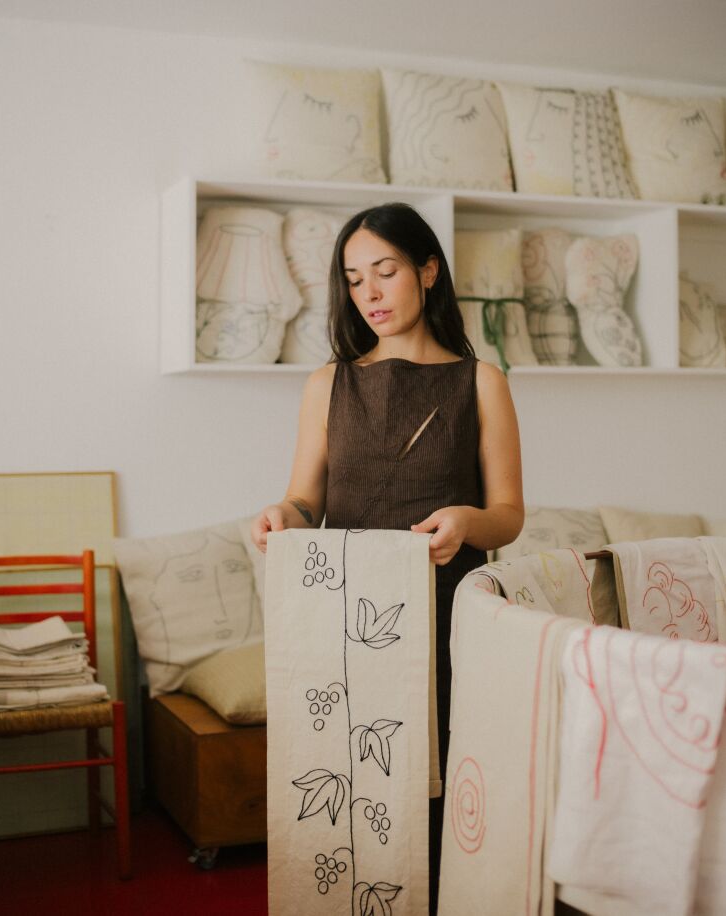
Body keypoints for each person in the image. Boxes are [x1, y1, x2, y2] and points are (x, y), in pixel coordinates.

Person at [251, 201, 524, 908]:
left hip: (446, 624)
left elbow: (508, 517)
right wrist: (283, 516)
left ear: (427, 272)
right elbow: (304, 500)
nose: (368, 293)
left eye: (385, 271)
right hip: (341, 626)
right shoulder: (327, 383)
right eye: (352, 278)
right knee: (345, 787)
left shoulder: (480, 381)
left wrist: (466, 521)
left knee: (430, 788)